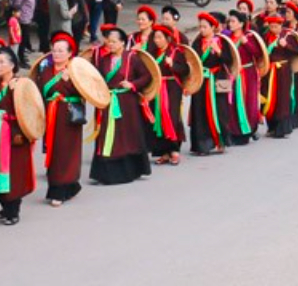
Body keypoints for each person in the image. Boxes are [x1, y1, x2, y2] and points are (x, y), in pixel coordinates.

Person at [0, 48, 37, 225]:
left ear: (12, 65)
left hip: (16, 135)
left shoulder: (22, 85)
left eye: (3, 62)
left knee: (15, 172)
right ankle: (5, 205)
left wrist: (21, 133)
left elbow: (30, 111)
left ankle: (13, 210)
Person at [88, 26, 153, 185]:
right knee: (107, 135)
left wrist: (132, 84)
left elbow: (146, 76)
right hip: (109, 102)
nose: (110, 44)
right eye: (108, 41)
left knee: (127, 134)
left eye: (114, 41)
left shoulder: (132, 58)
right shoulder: (103, 60)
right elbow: (97, 79)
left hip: (127, 103)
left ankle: (131, 170)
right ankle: (106, 173)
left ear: (123, 43)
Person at [33, 32, 86, 206]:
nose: (57, 54)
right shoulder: (46, 70)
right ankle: (59, 186)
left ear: (70, 53)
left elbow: (87, 92)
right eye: (54, 50)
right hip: (51, 115)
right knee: (53, 151)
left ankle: (63, 188)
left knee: (66, 152)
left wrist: (70, 82)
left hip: (68, 115)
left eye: (61, 51)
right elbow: (39, 92)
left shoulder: (75, 71)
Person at [189, 13, 234, 155]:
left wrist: (219, 51)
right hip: (202, 80)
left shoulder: (222, 41)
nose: (201, 29)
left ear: (213, 27)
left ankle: (221, 141)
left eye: (205, 27)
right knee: (200, 110)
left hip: (218, 78)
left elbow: (229, 60)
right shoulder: (197, 42)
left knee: (220, 111)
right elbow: (193, 61)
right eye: (200, 27)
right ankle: (202, 145)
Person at [148, 25, 189, 165]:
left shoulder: (176, 52)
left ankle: (174, 150)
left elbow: (185, 70)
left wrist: (172, 65)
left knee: (171, 116)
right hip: (157, 87)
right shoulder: (153, 53)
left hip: (172, 87)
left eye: (160, 37)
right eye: (155, 37)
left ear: (168, 38)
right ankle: (163, 152)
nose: (157, 40)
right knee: (157, 117)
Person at [225, 11, 262, 145]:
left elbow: (258, 53)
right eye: (229, 21)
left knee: (247, 102)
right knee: (232, 103)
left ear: (241, 24)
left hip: (247, 73)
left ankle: (246, 131)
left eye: (233, 21)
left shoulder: (249, 36)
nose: (230, 24)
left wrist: (246, 43)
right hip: (232, 73)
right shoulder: (227, 38)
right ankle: (233, 131)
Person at [14, 0, 37, 64]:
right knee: (23, 39)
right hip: (23, 18)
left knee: (25, 38)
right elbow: (17, 4)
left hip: (29, 16)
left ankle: (22, 55)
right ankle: (21, 59)